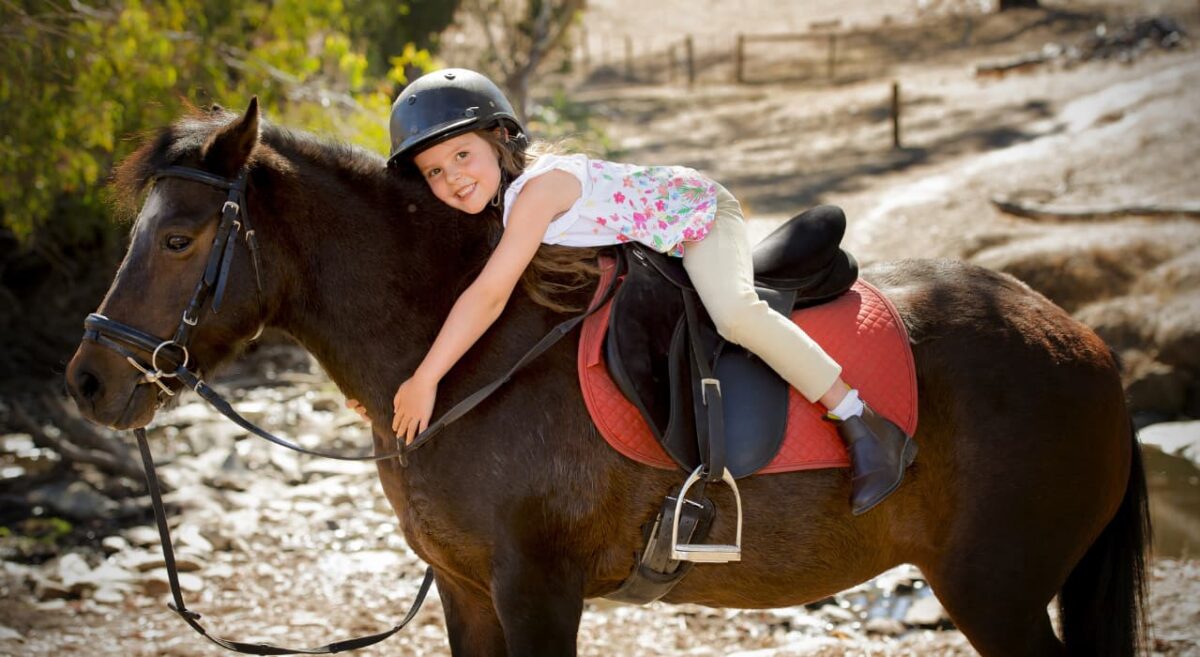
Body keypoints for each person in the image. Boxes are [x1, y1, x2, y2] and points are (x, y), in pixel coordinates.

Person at [347, 68, 915, 515]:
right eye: (434, 171)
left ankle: (860, 417)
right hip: (653, 241)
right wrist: (396, 382)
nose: (452, 179)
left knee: (735, 314)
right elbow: (468, 295)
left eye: (461, 156)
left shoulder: (538, 192)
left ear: (499, 140)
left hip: (699, 216)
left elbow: (490, 296)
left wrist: (426, 380)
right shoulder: (499, 204)